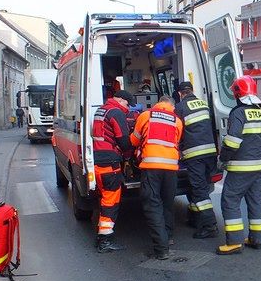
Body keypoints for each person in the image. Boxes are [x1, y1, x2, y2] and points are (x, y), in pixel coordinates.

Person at [217, 76, 261, 255]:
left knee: (230, 200)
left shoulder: (238, 113)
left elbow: (233, 142)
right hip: (258, 168)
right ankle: (256, 239)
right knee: (256, 201)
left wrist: (223, 159)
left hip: (240, 169)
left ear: (237, 93)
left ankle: (235, 242)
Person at [131, 95, 183, 260]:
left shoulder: (146, 115)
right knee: (167, 204)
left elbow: (134, 140)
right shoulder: (177, 120)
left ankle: (161, 249)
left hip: (151, 167)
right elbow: (177, 141)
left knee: (153, 205)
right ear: (171, 106)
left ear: (158, 103)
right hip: (171, 168)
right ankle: (168, 237)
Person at [91, 90, 135, 253]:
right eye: (127, 105)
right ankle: (105, 240)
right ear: (122, 101)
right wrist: (129, 155)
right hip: (110, 162)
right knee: (111, 200)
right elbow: (124, 140)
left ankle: (102, 236)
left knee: (105, 197)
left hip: (98, 160)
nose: (127, 108)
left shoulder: (101, 110)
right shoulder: (116, 112)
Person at [174, 81, 218, 239]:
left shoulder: (180, 108)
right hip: (210, 153)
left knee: (198, 189)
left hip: (195, 155)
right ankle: (194, 218)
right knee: (201, 186)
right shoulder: (204, 104)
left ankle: (209, 225)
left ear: (180, 94)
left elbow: (176, 131)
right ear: (192, 90)